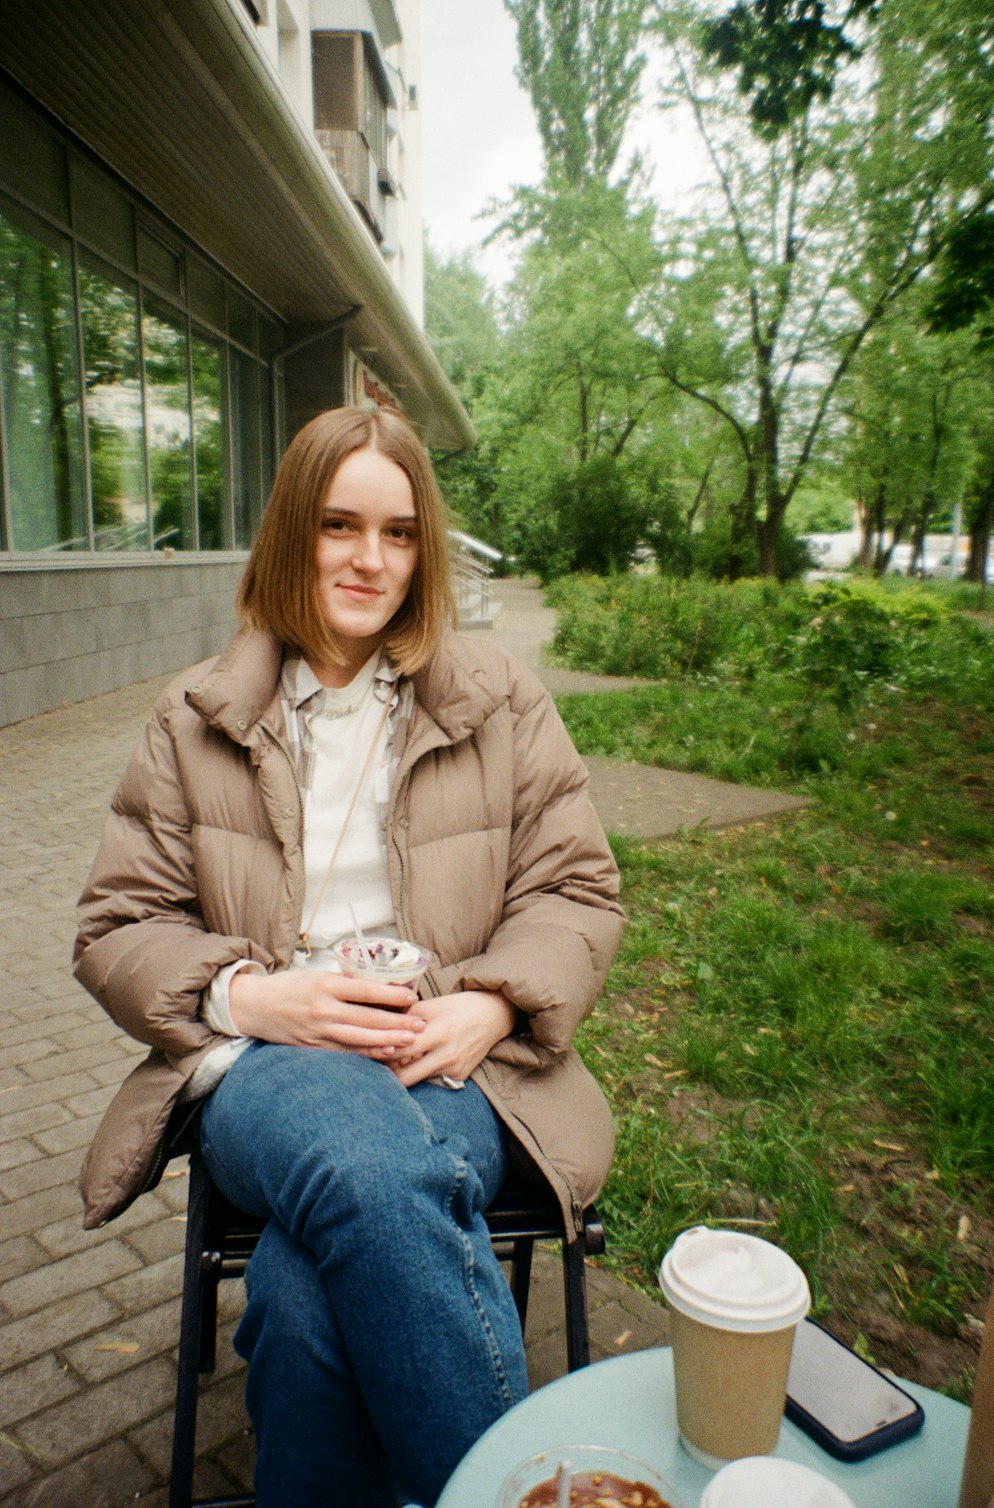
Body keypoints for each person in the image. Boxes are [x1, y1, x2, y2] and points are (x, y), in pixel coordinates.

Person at [74, 405, 625, 1508]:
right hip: (268, 1070)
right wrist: (252, 995)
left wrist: (494, 1006)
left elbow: (574, 888)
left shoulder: (497, 695)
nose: (371, 559)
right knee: (367, 1168)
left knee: (306, 1290)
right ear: (291, 533)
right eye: (339, 524)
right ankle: (510, 1491)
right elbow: (117, 928)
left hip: (446, 1054)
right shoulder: (192, 716)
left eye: (400, 531)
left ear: (424, 550)